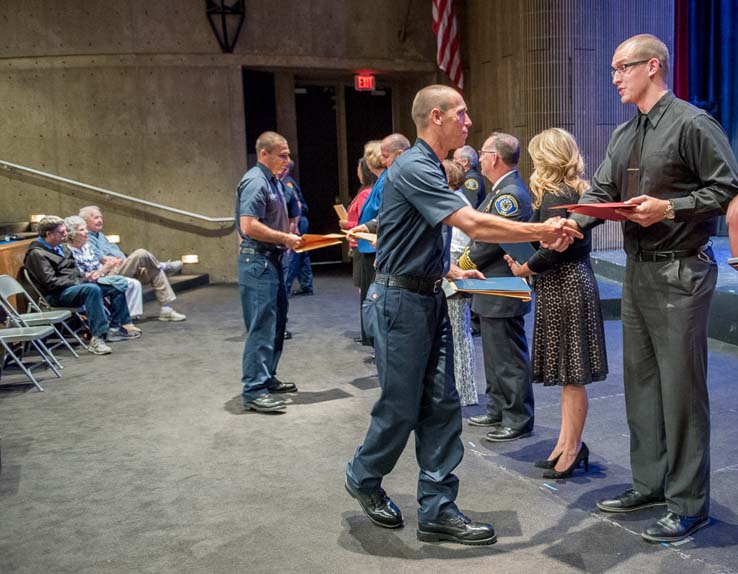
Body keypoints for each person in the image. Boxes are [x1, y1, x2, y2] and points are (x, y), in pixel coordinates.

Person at [344, 84, 581, 546]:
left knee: (442, 406)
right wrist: (542, 230)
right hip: (401, 304)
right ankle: (362, 475)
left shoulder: (427, 166)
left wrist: (447, 268)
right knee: (400, 409)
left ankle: (436, 509)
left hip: (427, 296)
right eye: (462, 113)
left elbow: (414, 234)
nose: (469, 122)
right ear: (437, 117)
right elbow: (471, 224)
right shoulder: (414, 165)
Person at [561, 34, 738, 543]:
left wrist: (672, 207)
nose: (614, 77)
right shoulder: (623, 134)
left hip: (682, 271)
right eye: (614, 68)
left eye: (622, 67)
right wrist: (570, 224)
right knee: (641, 384)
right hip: (640, 271)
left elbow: (726, 187)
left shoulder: (692, 123)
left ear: (652, 66)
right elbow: (600, 192)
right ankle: (650, 484)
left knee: (681, 391)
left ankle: (688, 504)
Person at [504, 128, 608, 479]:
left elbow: (551, 249)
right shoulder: (574, 190)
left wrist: (523, 266)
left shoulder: (554, 195)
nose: (532, 161)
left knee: (572, 376)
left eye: (536, 154)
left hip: (565, 285)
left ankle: (572, 448)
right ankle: (565, 444)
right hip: (569, 282)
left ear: (546, 157)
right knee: (569, 377)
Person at [459, 132, 535, 442]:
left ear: (494, 158)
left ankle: (518, 417)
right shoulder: (499, 191)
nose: (480, 156)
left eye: (483, 151)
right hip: (492, 285)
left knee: (507, 355)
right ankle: (498, 407)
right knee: (493, 352)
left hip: (503, 284)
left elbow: (489, 239)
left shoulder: (510, 195)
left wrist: (461, 266)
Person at [236, 131, 302, 413]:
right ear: (264, 154)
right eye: (282, 155)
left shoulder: (273, 181)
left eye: (288, 154)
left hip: (271, 260)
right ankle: (254, 389)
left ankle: (267, 377)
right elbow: (249, 225)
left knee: (275, 325)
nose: (287, 160)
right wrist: (285, 238)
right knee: (261, 326)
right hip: (258, 262)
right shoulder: (255, 180)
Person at [24, 216, 140, 356]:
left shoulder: (61, 248)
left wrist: (87, 276)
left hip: (73, 287)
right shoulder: (37, 254)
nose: (66, 235)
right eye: (61, 232)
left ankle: (114, 329)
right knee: (91, 289)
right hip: (55, 295)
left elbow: (74, 271)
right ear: (49, 234)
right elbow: (51, 282)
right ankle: (97, 338)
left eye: (66, 231)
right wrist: (83, 280)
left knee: (115, 286)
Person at [79, 206, 186, 322]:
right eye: (96, 218)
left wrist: (120, 259)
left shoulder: (101, 235)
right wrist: (114, 260)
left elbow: (117, 254)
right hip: (108, 273)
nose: (100, 220)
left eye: (101, 217)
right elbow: (103, 259)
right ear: (85, 221)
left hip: (122, 267)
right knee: (141, 253)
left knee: (153, 270)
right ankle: (164, 266)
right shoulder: (86, 238)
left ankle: (166, 310)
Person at [64, 215, 144, 328]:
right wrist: (104, 268)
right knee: (119, 284)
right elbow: (82, 276)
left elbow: (95, 266)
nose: (86, 232)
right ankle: (119, 324)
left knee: (123, 282)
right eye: (82, 230)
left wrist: (107, 266)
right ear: (72, 234)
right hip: (86, 283)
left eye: (85, 229)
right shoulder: (68, 251)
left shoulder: (86, 246)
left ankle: (123, 322)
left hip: (98, 277)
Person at [441, 159, 477, 406]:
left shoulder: (454, 203)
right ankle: (458, 388)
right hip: (453, 266)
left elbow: (462, 244)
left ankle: (465, 392)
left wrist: (456, 270)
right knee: (455, 331)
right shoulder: (456, 200)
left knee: (459, 333)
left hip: (457, 268)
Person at [350, 140, 385, 347]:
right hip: (368, 244)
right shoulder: (380, 183)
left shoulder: (384, 182)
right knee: (367, 296)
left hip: (374, 248)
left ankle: (375, 340)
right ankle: (372, 339)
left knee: (373, 297)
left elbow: (385, 215)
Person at [282, 161, 314, 296]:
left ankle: (286, 287)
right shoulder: (288, 181)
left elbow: (298, 205)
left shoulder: (287, 183)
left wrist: (294, 227)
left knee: (294, 254)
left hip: (299, 220)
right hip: (302, 220)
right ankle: (306, 285)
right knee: (302, 254)